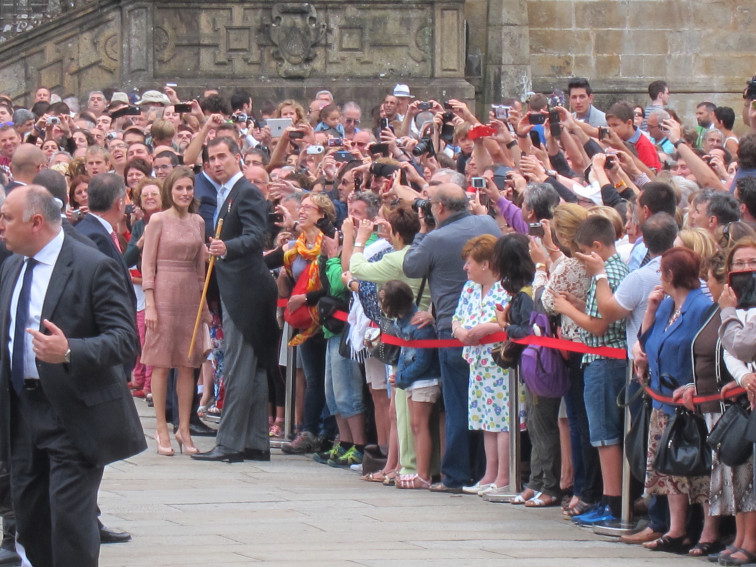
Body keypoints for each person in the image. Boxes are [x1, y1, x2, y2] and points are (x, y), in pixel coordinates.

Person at [0, 185, 146, 566]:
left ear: (35, 222)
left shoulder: (91, 264)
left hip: (73, 414)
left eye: (7, 218)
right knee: (30, 522)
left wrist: (69, 351)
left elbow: (124, 340)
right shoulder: (13, 265)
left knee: (70, 523)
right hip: (21, 413)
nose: (1, 226)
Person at [403, 183, 500, 493]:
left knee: (459, 405)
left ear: (440, 209)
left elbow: (411, 265)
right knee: (487, 406)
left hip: (452, 328)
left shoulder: (434, 238)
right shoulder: (487, 223)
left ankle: (456, 475)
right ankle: (488, 474)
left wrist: (421, 230)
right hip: (488, 326)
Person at [192, 137, 278, 463]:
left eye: (222, 156)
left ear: (237, 157)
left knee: (240, 366)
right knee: (253, 367)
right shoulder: (225, 192)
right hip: (236, 286)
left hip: (247, 289)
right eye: (211, 158)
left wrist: (227, 248)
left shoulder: (247, 191)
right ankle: (255, 442)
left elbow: (257, 236)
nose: (216, 162)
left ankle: (229, 443)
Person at [636, 247, 713, 553]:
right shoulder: (667, 305)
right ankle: (676, 528)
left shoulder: (700, 307)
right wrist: (651, 310)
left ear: (669, 274)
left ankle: (708, 531)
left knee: (700, 471)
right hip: (662, 401)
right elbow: (646, 344)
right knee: (669, 470)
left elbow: (704, 351)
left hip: (691, 403)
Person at [141, 167, 209, 456]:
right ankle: (160, 427)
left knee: (188, 364)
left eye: (189, 188)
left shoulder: (198, 221)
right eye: (179, 188)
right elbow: (147, 264)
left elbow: (200, 268)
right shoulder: (158, 220)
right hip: (164, 290)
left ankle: (184, 427)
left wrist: (203, 306)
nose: (184, 193)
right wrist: (151, 303)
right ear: (170, 190)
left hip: (190, 296)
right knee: (160, 363)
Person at [453, 234, 512, 497]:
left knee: (503, 419)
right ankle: (489, 473)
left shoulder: (506, 288)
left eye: (470, 262)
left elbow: (509, 323)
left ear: (486, 264)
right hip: (476, 362)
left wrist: (485, 328)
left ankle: (504, 476)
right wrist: (460, 332)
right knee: (485, 418)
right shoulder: (469, 289)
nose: (466, 267)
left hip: (500, 362)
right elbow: (456, 317)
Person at [716, 236, 756, 566]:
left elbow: (741, 343)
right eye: (739, 264)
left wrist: (727, 311)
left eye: (751, 262)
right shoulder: (736, 303)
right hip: (745, 394)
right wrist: (744, 377)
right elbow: (730, 350)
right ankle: (742, 536)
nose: (746, 269)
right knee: (740, 467)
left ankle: (751, 541)